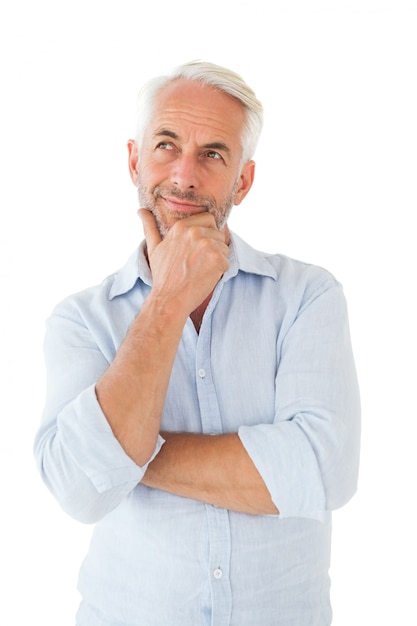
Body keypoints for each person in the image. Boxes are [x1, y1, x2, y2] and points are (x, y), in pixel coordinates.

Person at [34, 60, 361, 626]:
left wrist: (125, 451)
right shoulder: (81, 320)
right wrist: (167, 301)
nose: (184, 176)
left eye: (213, 153)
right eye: (165, 145)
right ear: (135, 160)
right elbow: (80, 492)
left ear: (243, 180)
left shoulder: (309, 296)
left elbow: (323, 470)